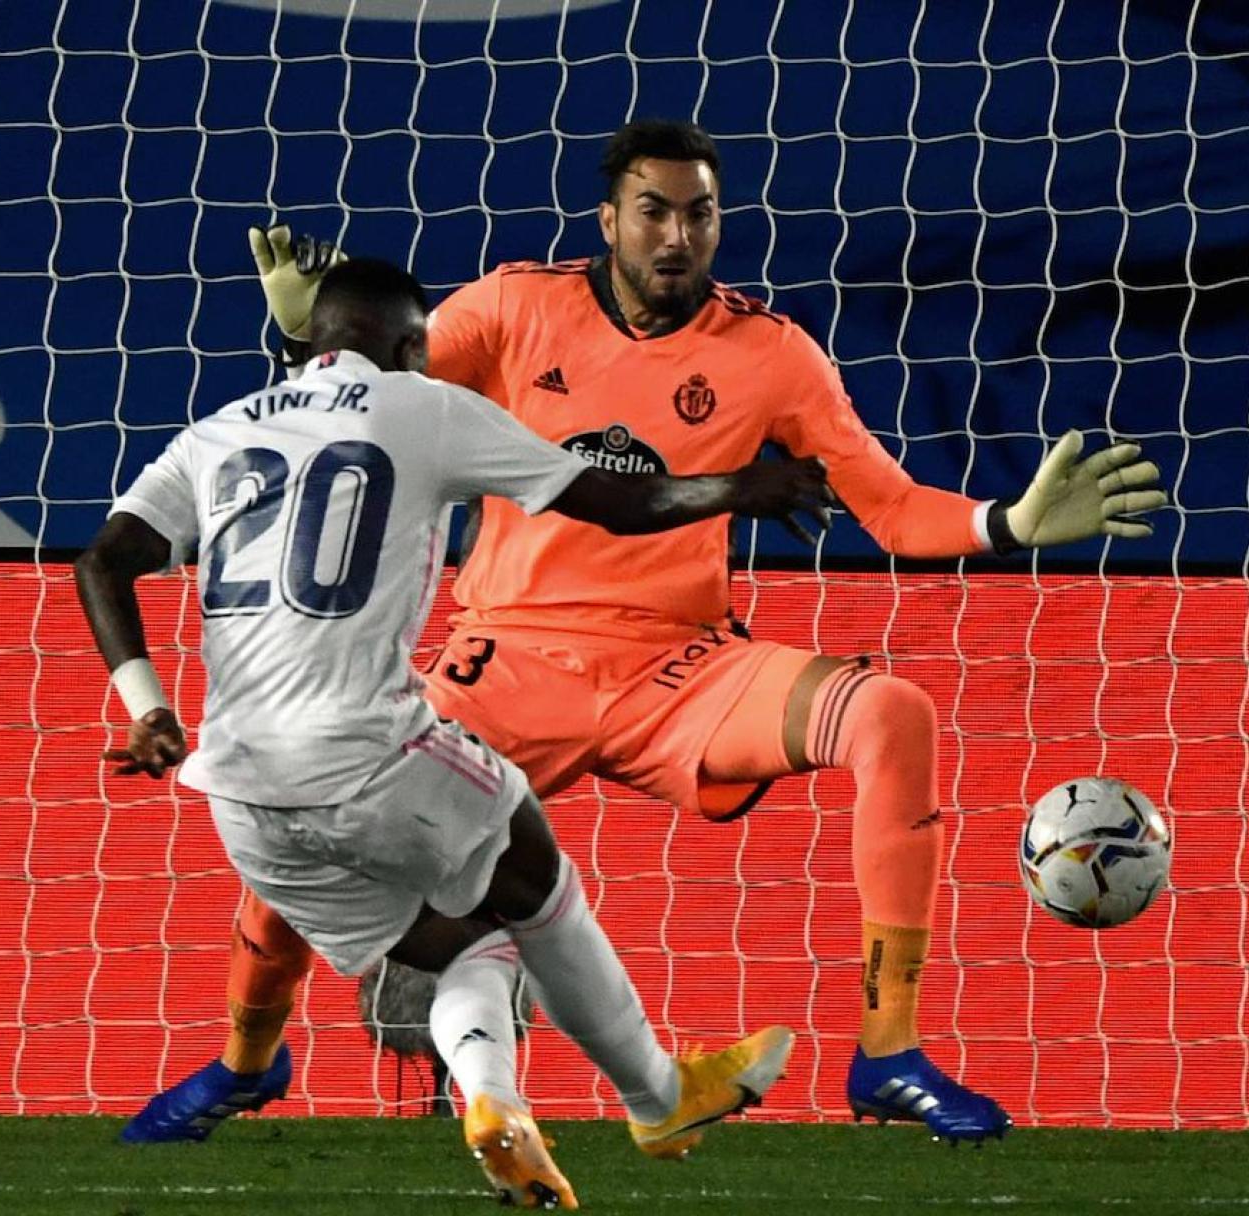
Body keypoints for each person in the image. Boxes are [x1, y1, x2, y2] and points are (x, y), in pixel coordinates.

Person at [129, 120, 1168, 1146]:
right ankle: (246, 1060)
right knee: (295, 801)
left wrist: (1009, 523)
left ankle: (886, 1053)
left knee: (892, 714)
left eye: (700, 213)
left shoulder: (771, 353)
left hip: (680, 668)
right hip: (508, 656)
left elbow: (890, 508)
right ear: (609, 220)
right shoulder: (512, 307)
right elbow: (362, 402)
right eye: (654, 211)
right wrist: (297, 341)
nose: (678, 235)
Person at [84, 257, 830, 1203]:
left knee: (468, 947)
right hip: (366, 752)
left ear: (310, 341)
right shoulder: (423, 406)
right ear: (410, 348)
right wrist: (739, 488)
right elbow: (620, 502)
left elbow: (103, 561)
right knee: (540, 881)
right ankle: (657, 1095)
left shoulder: (216, 430)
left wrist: (149, 709)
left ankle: (492, 1101)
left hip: (238, 796)